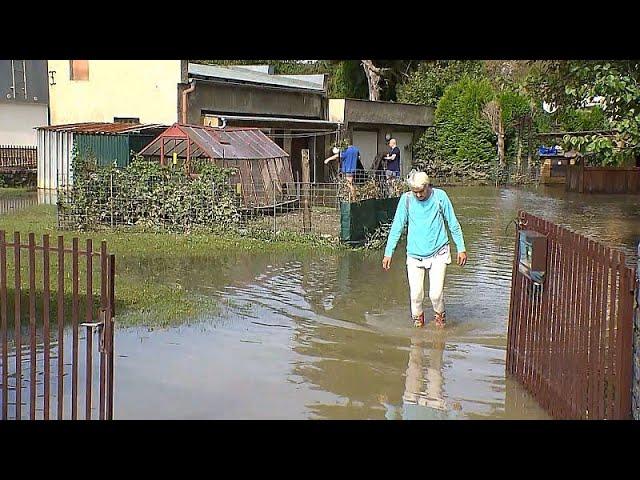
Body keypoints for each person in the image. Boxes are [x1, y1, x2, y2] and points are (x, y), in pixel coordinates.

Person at [382, 171, 467, 328]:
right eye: (415, 192)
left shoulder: (440, 197)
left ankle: (440, 325)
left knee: (435, 295)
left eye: (422, 191)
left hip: (439, 252)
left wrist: (460, 247)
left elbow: (453, 223)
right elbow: (397, 227)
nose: (419, 195)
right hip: (414, 255)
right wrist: (389, 253)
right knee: (416, 296)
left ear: (428, 186)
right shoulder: (406, 200)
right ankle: (418, 330)